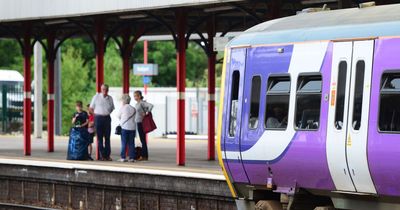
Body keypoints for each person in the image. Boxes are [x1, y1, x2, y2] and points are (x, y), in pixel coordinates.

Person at [89, 84, 115, 161]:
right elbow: (90, 109)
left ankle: (107, 155)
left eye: (106, 89)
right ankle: (102, 155)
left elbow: (112, 108)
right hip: (98, 118)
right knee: (99, 138)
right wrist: (95, 116)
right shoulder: (96, 97)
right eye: (103, 89)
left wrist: (107, 112)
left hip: (107, 118)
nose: (105, 91)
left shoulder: (110, 98)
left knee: (107, 137)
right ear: (101, 89)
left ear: (108, 90)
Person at [133, 90, 153, 161]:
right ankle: (144, 155)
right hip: (138, 122)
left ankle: (144, 156)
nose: (134, 97)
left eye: (135, 96)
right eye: (134, 96)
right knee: (142, 140)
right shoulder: (138, 103)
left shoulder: (142, 103)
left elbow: (151, 105)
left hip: (141, 123)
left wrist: (146, 113)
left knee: (143, 140)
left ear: (139, 96)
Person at [117, 94, 136, 162]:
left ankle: (123, 157)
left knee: (124, 143)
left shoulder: (123, 108)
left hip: (125, 127)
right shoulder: (133, 108)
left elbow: (118, 116)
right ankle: (132, 158)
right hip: (132, 128)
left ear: (123, 101)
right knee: (131, 143)